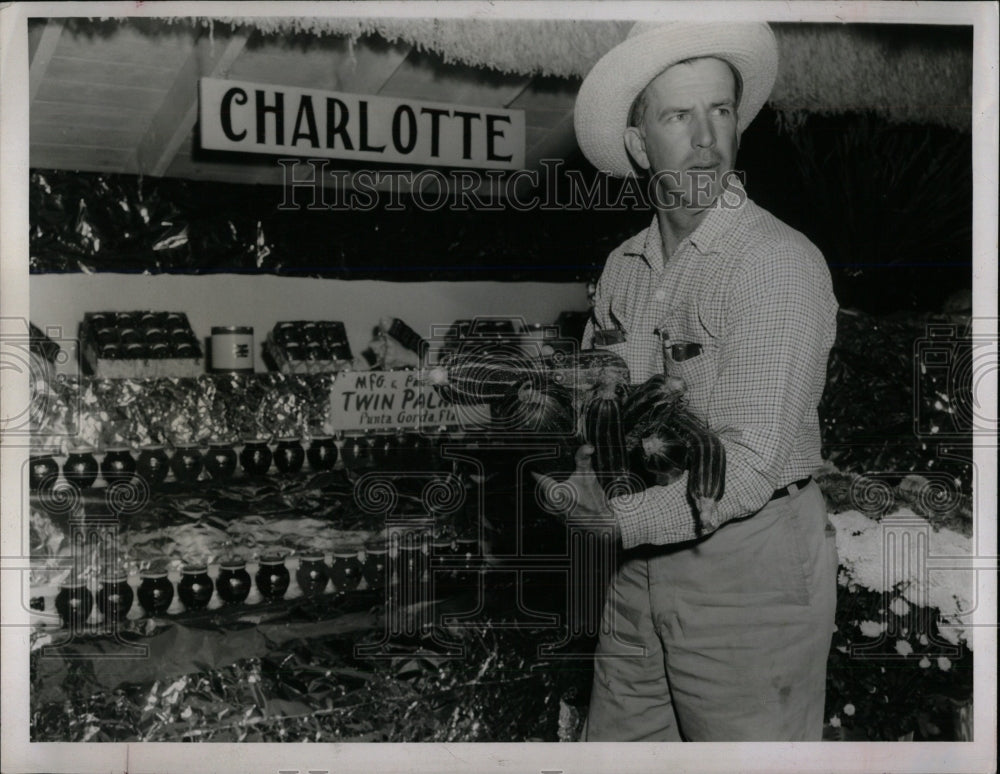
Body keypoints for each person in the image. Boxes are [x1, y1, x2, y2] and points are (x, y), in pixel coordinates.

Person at [537, 21, 840, 741]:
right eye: (679, 116)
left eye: (721, 111)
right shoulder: (623, 268)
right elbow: (603, 407)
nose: (706, 139)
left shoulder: (773, 263)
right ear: (641, 144)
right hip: (643, 563)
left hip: (752, 571)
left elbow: (749, 460)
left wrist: (617, 519)